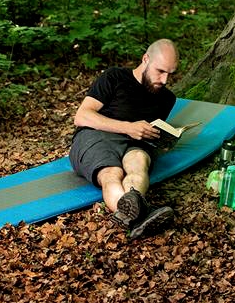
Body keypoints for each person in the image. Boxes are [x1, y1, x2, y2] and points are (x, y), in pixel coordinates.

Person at [69, 39, 179, 239]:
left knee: (139, 165)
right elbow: (82, 116)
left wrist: (161, 138)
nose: (164, 80)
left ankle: (134, 217)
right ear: (145, 59)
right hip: (95, 136)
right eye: (160, 71)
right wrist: (128, 127)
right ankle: (141, 217)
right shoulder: (114, 77)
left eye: (170, 74)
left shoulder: (167, 98)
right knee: (112, 173)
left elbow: (152, 130)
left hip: (135, 144)